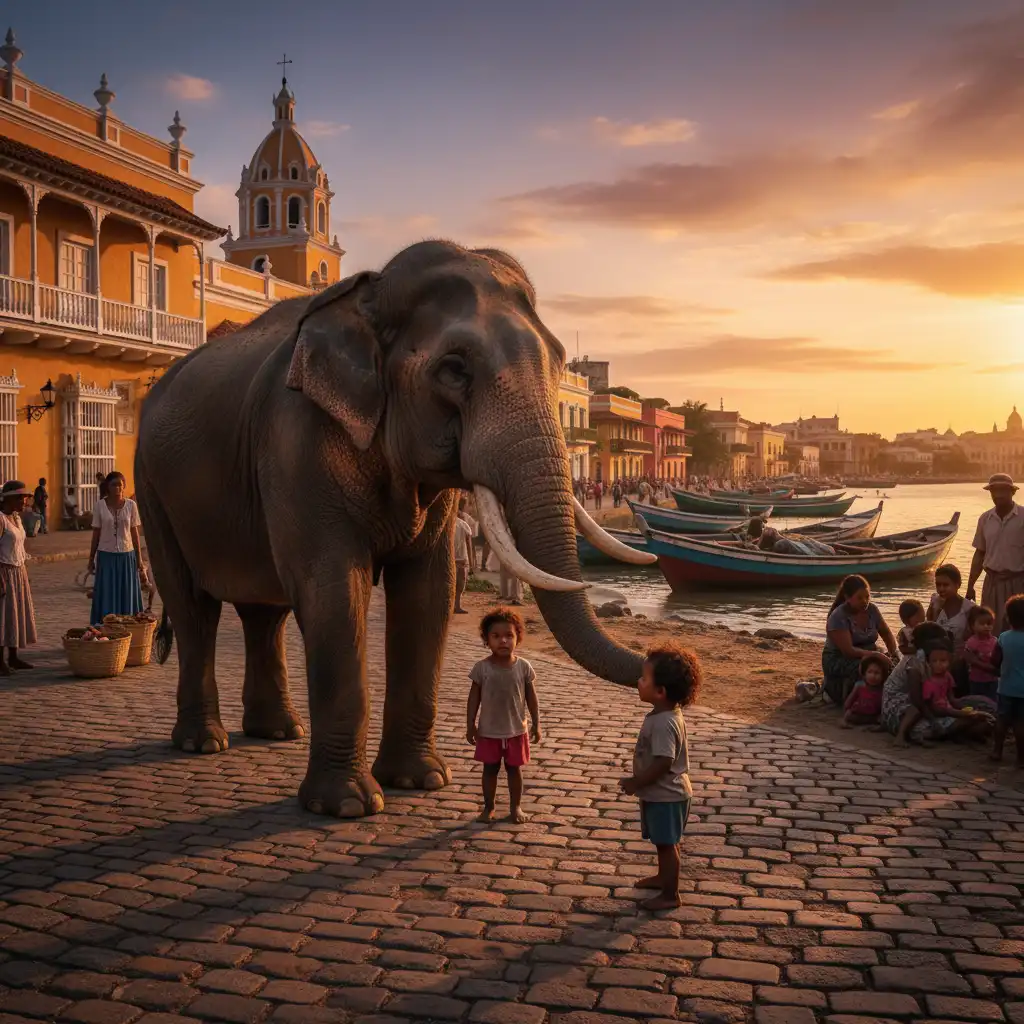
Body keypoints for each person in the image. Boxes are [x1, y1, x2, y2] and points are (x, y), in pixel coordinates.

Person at [619, 644, 701, 912]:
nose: (638, 682)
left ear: (660, 691)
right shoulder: (663, 714)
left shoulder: (665, 722)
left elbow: (664, 762)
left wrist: (636, 782)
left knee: (667, 845)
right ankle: (662, 878)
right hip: (662, 794)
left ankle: (670, 894)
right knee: (663, 842)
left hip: (667, 794)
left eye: (643, 678)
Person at [466, 606, 541, 823]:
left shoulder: (524, 667)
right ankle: (488, 807)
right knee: (489, 770)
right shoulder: (481, 668)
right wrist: (470, 724)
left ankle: (515, 807)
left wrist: (537, 723)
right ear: (486, 640)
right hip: (489, 731)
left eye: (509, 635)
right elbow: (474, 699)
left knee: (514, 770)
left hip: (516, 730)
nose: (503, 641)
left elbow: (531, 698)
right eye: (496, 636)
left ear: (518, 638)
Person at [821, 575, 898, 706]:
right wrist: (876, 655)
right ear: (847, 598)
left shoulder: (872, 610)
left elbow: (886, 634)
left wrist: (893, 653)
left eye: (867, 597)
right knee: (870, 669)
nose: (865, 601)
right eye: (860, 598)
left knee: (894, 666)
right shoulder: (838, 616)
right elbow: (848, 651)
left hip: (868, 653)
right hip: (839, 658)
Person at [87, 471, 149, 623]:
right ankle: (106, 626)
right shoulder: (100, 506)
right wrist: (91, 558)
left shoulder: (131, 506)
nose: (117, 488)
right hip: (106, 555)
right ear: (107, 487)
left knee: (127, 592)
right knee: (107, 592)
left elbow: (134, 534)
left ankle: (128, 626)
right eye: (113, 485)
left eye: (119, 485)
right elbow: (96, 534)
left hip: (127, 556)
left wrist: (139, 560)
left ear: (124, 486)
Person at [967, 475, 1024, 634]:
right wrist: (970, 585)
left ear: (1012, 492)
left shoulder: (1022, 516)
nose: (998, 495)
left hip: (1018, 582)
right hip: (992, 582)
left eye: (1003, 491)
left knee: (1018, 628)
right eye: (994, 491)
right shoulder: (985, 519)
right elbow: (979, 554)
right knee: (990, 629)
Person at [0, 481, 36, 674]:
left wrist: (24, 570)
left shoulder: (16, 518)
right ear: (10, 499)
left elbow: (20, 547)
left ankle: (13, 657)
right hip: (4, 570)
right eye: (21, 498)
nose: (24, 501)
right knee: (3, 615)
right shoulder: (1, 520)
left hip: (18, 569)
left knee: (16, 613)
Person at [991, 595, 1024, 766]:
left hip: (1005, 687)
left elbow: (995, 660)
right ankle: (1020, 757)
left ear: (1008, 618)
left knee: (1002, 720)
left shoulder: (1003, 637)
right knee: (1020, 722)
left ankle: (997, 751)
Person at [841, 652, 889, 729]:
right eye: (870, 672)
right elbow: (849, 702)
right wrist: (846, 712)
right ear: (864, 674)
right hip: (858, 713)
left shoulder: (883, 689)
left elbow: (884, 707)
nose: (873, 676)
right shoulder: (859, 686)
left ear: (883, 676)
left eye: (877, 673)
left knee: (881, 719)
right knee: (849, 714)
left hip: (873, 715)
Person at [964, 605, 999, 701]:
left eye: (989, 624)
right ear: (972, 626)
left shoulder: (995, 641)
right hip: (976, 679)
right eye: (982, 624)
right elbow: (968, 659)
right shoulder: (971, 642)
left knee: (992, 701)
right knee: (976, 701)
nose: (986, 626)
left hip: (992, 680)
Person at [453, 511, 474, 615]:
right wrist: (471, 562)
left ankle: (452, 605)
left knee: (450, 584)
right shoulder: (463, 524)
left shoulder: (447, 524)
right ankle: (457, 605)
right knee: (460, 585)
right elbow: (469, 545)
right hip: (461, 559)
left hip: (450, 559)